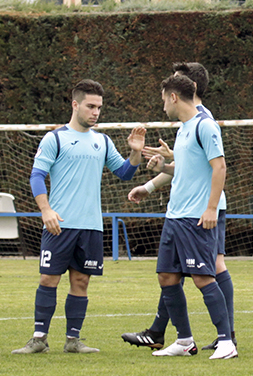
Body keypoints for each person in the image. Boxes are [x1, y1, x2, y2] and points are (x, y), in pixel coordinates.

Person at [13, 80, 145, 355]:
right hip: (59, 224)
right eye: (90, 106)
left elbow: (124, 173)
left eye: (99, 107)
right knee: (48, 279)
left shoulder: (102, 141)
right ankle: (39, 339)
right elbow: (37, 175)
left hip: (91, 226)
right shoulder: (55, 139)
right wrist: (46, 210)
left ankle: (73, 340)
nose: (96, 112)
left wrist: (135, 152)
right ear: (75, 104)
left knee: (81, 282)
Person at [122, 62, 235, 352]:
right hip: (176, 214)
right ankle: (181, 340)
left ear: (180, 92)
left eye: (166, 95)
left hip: (197, 213)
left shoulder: (204, 123)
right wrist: (160, 170)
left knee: (207, 272)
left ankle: (227, 338)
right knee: (168, 275)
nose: (163, 105)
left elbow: (218, 166)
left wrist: (211, 208)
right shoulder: (184, 127)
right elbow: (186, 167)